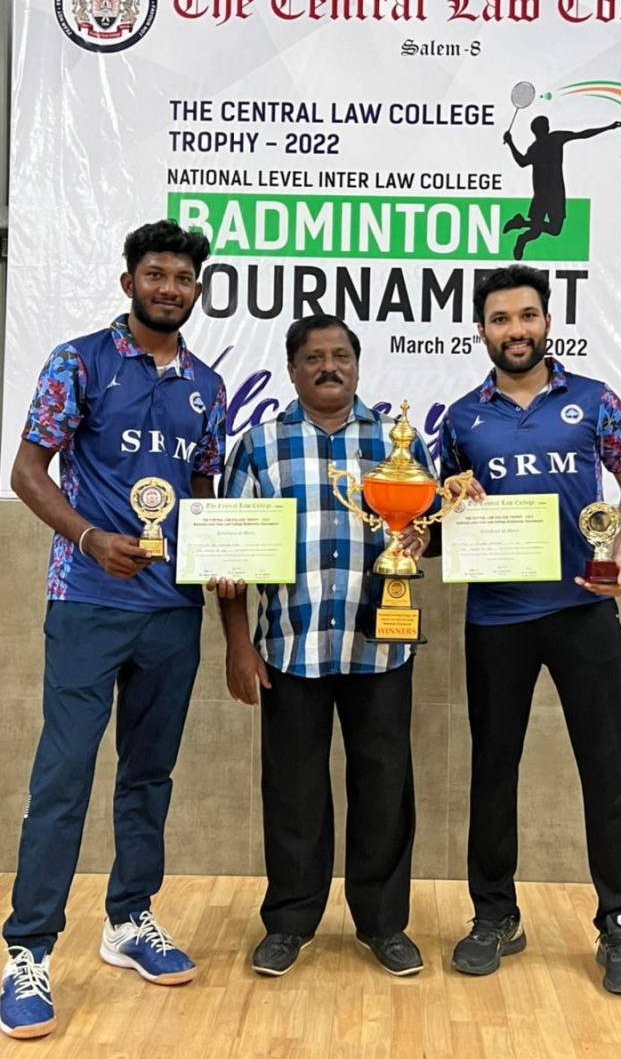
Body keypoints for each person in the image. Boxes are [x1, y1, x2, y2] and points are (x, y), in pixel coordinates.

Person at [0, 220, 225, 1040]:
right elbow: (27, 470)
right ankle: (27, 952)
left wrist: (225, 557)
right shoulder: (78, 360)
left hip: (172, 609)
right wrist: (91, 538)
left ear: (198, 291)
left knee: (149, 774)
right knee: (62, 776)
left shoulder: (206, 386)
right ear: (128, 282)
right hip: (89, 600)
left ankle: (129, 920)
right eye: (156, 275)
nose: (170, 288)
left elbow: (200, 498)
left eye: (183, 279)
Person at [439, 264, 621, 995]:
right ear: (482, 332)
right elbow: (443, 515)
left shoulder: (594, 401)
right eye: (501, 320)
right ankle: (494, 915)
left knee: (607, 769)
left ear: (547, 323)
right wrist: (443, 509)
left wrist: (620, 555)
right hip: (497, 617)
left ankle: (620, 926)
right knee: (494, 770)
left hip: (583, 613)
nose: (516, 330)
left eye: (527, 317)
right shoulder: (461, 417)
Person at [217, 313, 433, 978]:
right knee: (293, 793)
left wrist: (425, 536)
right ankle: (289, 921)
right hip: (289, 647)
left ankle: (383, 923)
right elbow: (230, 557)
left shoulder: (399, 442)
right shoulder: (259, 445)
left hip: (380, 649)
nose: (329, 366)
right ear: (292, 369)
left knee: (384, 789)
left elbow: (427, 530)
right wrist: (237, 647)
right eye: (314, 357)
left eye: (341, 355)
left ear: (359, 365)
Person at [502, 115, 621, 259]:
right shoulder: (553, 139)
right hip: (551, 194)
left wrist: (510, 142)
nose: (547, 127)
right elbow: (582, 135)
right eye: (545, 125)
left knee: (547, 230)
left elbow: (522, 161)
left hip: (548, 194)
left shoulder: (539, 145)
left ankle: (521, 224)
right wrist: (608, 127)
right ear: (543, 129)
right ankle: (521, 233)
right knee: (546, 230)